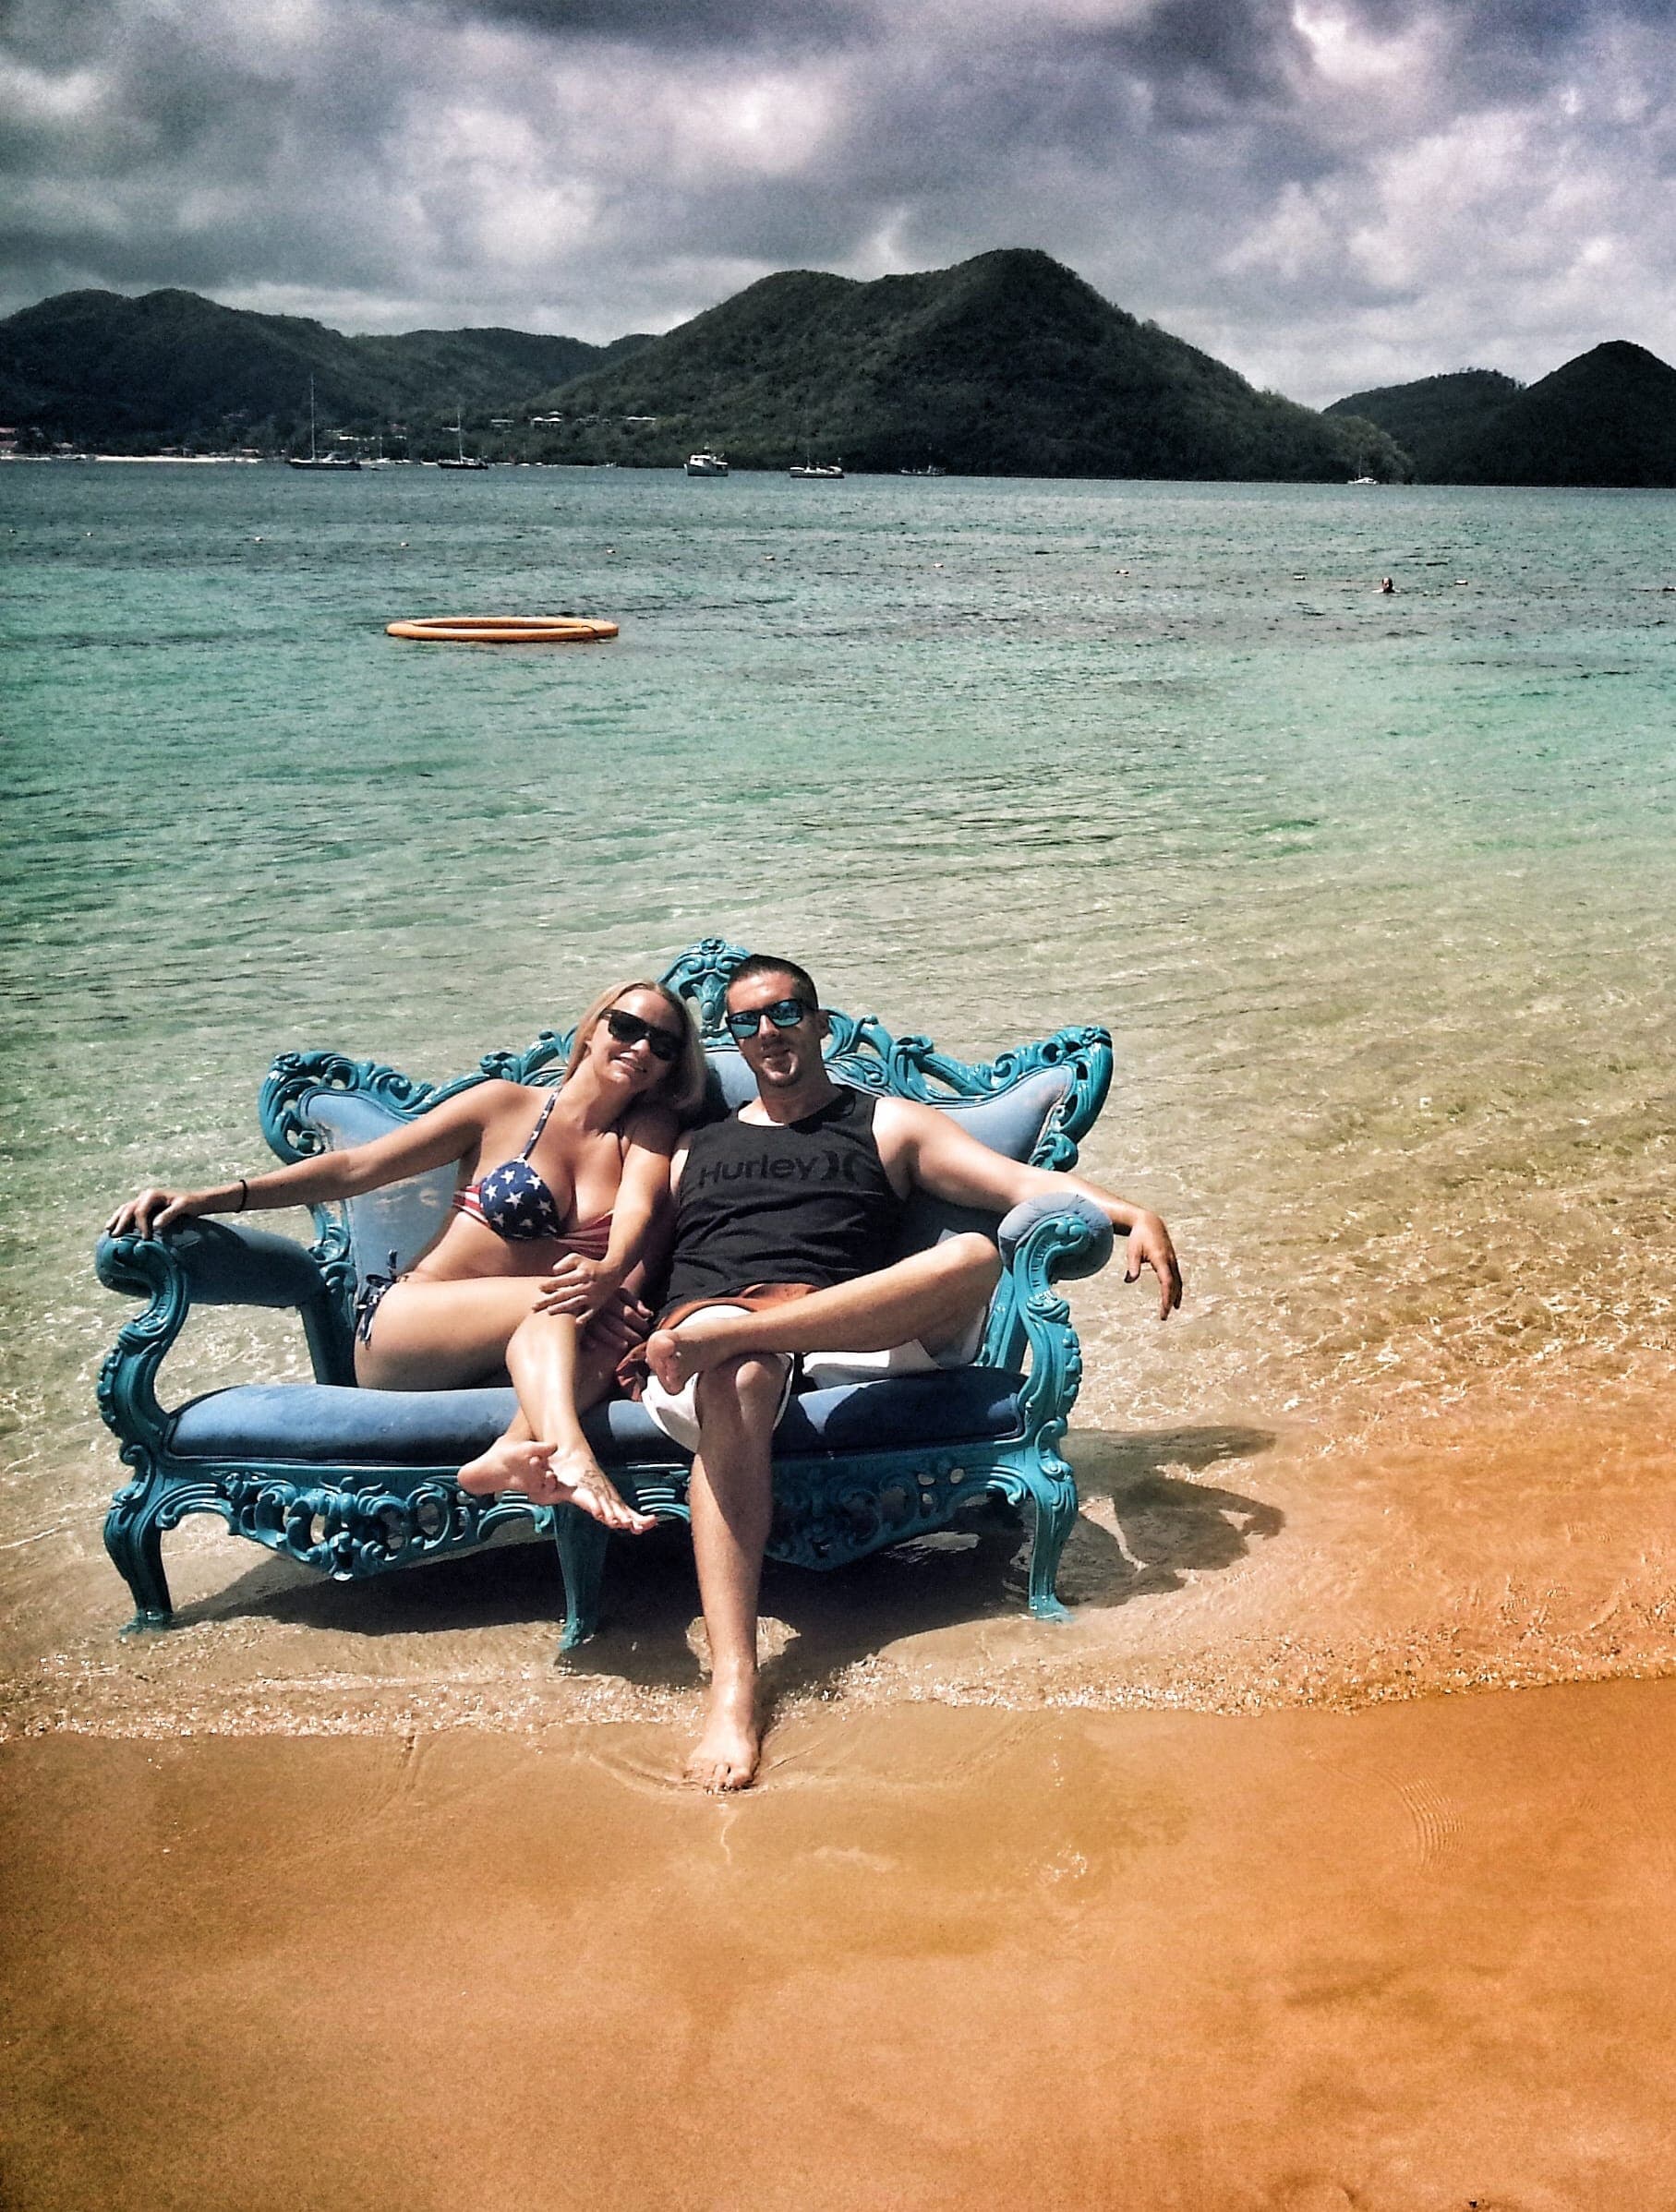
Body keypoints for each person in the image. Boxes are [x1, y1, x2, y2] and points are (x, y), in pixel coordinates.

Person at [637, 955, 1184, 1791]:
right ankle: (735, 1687)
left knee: (970, 1254)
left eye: (785, 1012)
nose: (768, 1033)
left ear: (819, 1022)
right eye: (745, 1022)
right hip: (713, 1330)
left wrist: (1132, 1211)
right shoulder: (691, 1149)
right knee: (735, 1366)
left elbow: (1019, 1187)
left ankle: (750, 1339)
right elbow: (619, 1246)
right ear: (731, 1043)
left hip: (849, 1327)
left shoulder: (889, 1123)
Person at [105, 980, 708, 1531]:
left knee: (601, 1332)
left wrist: (609, 1271)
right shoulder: (503, 1105)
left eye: (662, 1042)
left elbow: (635, 1210)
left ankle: (513, 1451)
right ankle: (569, 1454)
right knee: (567, 1298)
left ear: (668, 1067)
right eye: (626, 1026)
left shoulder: (645, 1131)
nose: (640, 1046)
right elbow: (358, 1167)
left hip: (525, 1342)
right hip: (408, 1330)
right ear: (593, 1028)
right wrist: (219, 1197)